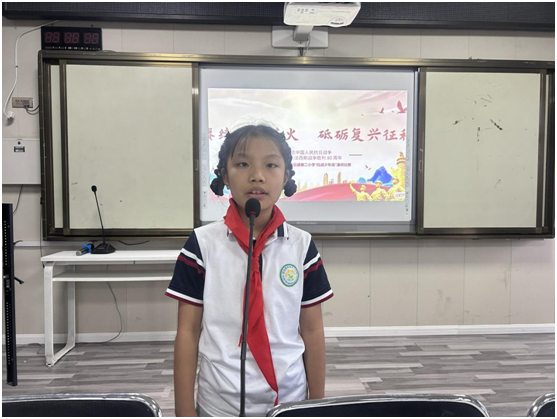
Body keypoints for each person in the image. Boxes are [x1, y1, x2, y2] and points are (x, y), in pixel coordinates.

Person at [166, 125, 334, 417]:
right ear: (224, 175)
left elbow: (312, 329)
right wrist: (184, 411)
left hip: (288, 401)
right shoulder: (202, 244)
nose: (257, 175)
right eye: (243, 164)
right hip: (219, 404)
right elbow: (188, 331)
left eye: (271, 165)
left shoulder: (301, 245)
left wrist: (316, 407)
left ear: (286, 177)